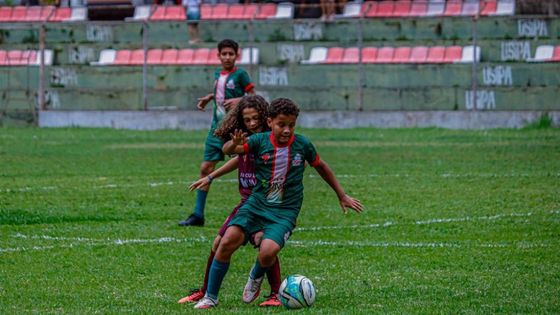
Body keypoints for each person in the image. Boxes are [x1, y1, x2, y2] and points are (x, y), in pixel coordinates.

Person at [193, 98, 364, 309]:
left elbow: (322, 167)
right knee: (227, 240)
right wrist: (234, 144)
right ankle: (210, 297)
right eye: (281, 124)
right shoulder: (260, 141)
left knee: (267, 251)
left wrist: (342, 195)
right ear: (270, 121)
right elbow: (230, 150)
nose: (286, 130)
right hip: (256, 204)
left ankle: (255, 277)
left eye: (291, 125)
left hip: (284, 211)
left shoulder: (302, 145)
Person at [178, 95, 282, 307]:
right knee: (218, 243)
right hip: (246, 202)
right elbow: (237, 157)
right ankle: (206, 291)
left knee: (263, 243)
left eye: (256, 118)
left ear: (264, 118)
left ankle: (275, 294)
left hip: (262, 203)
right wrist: (210, 176)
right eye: (247, 120)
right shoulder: (243, 138)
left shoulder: (267, 140)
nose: (252, 123)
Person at [179, 39, 255, 227]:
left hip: (235, 128)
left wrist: (239, 100)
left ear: (236, 55)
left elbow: (254, 96)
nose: (227, 57)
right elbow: (221, 94)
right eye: (224, 54)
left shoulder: (241, 75)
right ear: (218, 55)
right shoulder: (217, 74)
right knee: (206, 168)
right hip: (216, 128)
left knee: (249, 166)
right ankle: (198, 214)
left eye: (231, 54)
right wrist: (210, 97)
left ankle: (255, 210)